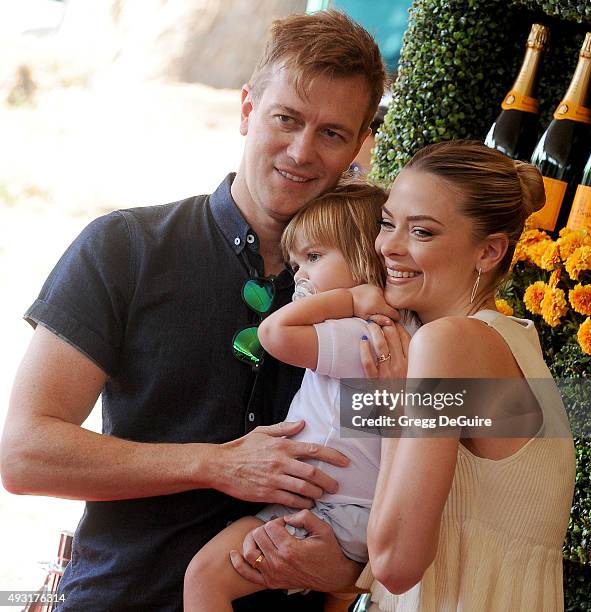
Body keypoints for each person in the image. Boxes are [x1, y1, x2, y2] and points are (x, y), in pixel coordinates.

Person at [0, 11, 388, 611]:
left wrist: (350, 570)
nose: (301, 151)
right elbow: (24, 455)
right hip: (124, 597)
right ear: (246, 110)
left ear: (361, 145)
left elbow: (462, 429)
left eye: (332, 133)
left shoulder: (384, 280)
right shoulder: (123, 247)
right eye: (286, 119)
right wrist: (216, 464)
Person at [351, 140, 575, 611]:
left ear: (490, 251)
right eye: (388, 223)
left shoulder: (448, 344)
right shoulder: (515, 339)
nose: (388, 246)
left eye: (423, 232)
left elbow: (395, 563)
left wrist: (395, 406)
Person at [183, 181, 410, 612]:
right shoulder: (394, 332)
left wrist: (349, 298)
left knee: (204, 578)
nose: (299, 275)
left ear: (365, 255)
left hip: (325, 509)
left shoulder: (359, 332)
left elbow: (273, 333)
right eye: (295, 263)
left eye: (314, 257)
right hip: (351, 512)